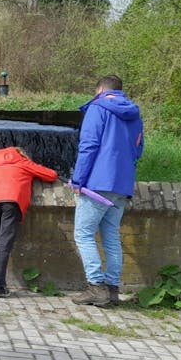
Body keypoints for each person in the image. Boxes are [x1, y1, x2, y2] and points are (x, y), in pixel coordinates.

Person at [70, 75, 144, 307]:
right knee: (111, 236)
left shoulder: (98, 107)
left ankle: (96, 287)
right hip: (122, 184)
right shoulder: (134, 113)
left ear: (100, 89)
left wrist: (78, 180)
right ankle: (112, 289)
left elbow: (88, 145)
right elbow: (138, 149)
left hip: (98, 183)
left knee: (83, 234)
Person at [0, 147, 58, 299]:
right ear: (22, 155)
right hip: (12, 201)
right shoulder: (24, 163)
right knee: (4, 244)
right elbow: (51, 175)